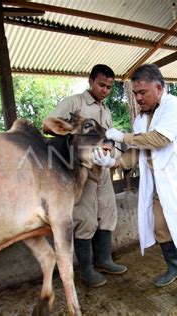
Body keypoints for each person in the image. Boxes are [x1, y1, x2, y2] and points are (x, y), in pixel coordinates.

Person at [104, 64, 177, 305]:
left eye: (142, 92)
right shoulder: (140, 119)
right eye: (135, 93)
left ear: (159, 88)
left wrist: (121, 136)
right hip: (160, 185)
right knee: (159, 228)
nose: (138, 98)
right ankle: (175, 267)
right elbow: (139, 149)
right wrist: (115, 162)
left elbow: (159, 139)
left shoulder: (175, 106)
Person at [49, 64, 127, 287]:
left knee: (108, 212)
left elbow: (110, 139)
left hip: (102, 169)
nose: (105, 90)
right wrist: (75, 130)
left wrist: (111, 151)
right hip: (81, 170)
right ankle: (87, 269)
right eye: (101, 85)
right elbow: (50, 124)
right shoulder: (74, 103)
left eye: (109, 87)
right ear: (90, 81)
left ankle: (104, 260)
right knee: (85, 218)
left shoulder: (107, 111)